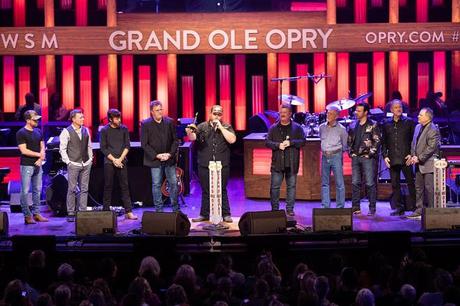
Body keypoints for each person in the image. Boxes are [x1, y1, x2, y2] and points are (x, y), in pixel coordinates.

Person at [186, 105, 236, 222]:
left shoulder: (226, 126)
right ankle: (204, 214)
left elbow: (232, 140)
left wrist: (221, 128)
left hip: (222, 163)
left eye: (219, 114)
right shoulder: (202, 126)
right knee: (205, 189)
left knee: (222, 189)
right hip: (205, 163)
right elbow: (193, 137)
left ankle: (226, 214)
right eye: (215, 113)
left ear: (222, 115)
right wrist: (189, 132)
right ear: (210, 113)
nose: (216, 116)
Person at [265, 104, 306, 216]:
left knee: (291, 187)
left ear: (290, 114)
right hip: (277, 163)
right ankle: (275, 210)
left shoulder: (297, 128)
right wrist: (278, 145)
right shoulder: (273, 128)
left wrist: (291, 142)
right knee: (274, 187)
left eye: (285, 112)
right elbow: (267, 142)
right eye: (281, 112)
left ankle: (290, 209)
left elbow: (303, 141)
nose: (282, 114)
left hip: (291, 163)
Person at [141, 100, 180, 212]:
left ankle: (175, 209)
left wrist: (169, 154)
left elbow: (175, 141)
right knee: (156, 184)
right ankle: (159, 210)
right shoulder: (146, 124)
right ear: (152, 112)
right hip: (155, 160)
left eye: (161, 109)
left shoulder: (169, 122)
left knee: (173, 183)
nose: (160, 112)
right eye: (157, 110)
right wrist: (157, 155)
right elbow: (144, 144)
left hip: (169, 159)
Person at [100, 109, 137, 220]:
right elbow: (103, 148)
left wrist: (120, 159)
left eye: (119, 118)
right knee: (108, 186)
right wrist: (114, 160)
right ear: (110, 119)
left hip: (121, 161)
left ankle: (128, 211)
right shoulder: (104, 130)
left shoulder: (124, 129)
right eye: (116, 118)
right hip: (109, 161)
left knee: (124, 186)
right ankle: (106, 211)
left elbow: (127, 146)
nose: (119, 120)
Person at [381, 99, 416, 216]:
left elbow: (414, 140)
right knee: (395, 184)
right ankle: (399, 208)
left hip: (406, 158)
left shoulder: (409, 122)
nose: (399, 109)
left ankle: (416, 207)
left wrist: (412, 154)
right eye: (396, 107)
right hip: (392, 158)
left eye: (400, 107)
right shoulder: (386, 123)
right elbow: (384, 142)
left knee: (411, 182)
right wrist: (385, 156)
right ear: (391, 110)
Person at [59, 109, 93, 222]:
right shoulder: (66, 131)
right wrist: (68, 162)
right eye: (80, 117)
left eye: (83, 117)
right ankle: (71, 212)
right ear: (73, 119)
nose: (83, 119)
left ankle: (82, 212)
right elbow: (62, 149)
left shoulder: (85, 130)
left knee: (84, 189)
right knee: (72, 189)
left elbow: (89, 146)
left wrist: (90, 159)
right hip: (73, 163)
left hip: (86, 163)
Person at [348, 102, 381, 216]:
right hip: (356, 157)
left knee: (370, 183)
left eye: (359, 111)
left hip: (368, 158)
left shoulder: (373, 124)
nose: (356, 112)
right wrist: (351, 152)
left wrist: (370, 154)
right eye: (356, 110)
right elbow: (349, 140)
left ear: (366, 112)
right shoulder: (353, 125)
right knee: (355, 182)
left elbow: (377, 141)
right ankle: (355, 207)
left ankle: (372, 208)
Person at [407, 107, 441, 219]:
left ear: (427, 117)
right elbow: (414, 143)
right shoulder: (417, 127)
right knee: (418, 188)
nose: (418, 116)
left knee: (429, 188)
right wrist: (412, 156)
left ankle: (431, 212)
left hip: (428, 163)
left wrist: (419, 158)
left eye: (421, 115)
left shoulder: (433, 129)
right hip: (418, 163)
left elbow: (431, 147)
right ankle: (419, 210)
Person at [16, 110, 49, 224]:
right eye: (34, 119)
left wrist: (40, 159)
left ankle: (36, 213)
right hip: (26, 165)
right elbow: (23, 150)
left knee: (37, 190)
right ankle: (27, 215)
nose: (37, 121)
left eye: (37, 119)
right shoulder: (21, 133)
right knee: (25, 191)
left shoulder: (38, 131)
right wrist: (38, 155)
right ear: (28, 120)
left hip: (38, 165)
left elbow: (42, 146)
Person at [319, 105, 348, 209]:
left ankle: (340, 207)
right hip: (324, 157)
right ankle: (325, 206)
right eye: (328, 113)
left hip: (336, 156)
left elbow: (345, 145)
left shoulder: (342, 129)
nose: (328, 115)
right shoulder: (321, 127)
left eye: (331, 113)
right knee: (324, 183)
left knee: (339, 183)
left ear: (336, 116)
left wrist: (337, 153)